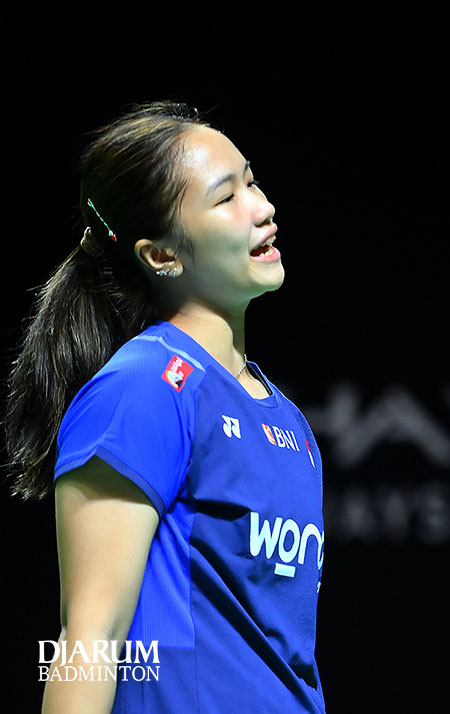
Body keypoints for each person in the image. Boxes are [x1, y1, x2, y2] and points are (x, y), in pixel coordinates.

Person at [3, 102, 326, 713]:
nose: (262, 208)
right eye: (226, 197)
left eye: (252, 182)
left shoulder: (288, 420)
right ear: (161, 256)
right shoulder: (146, 388)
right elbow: (91, 637)